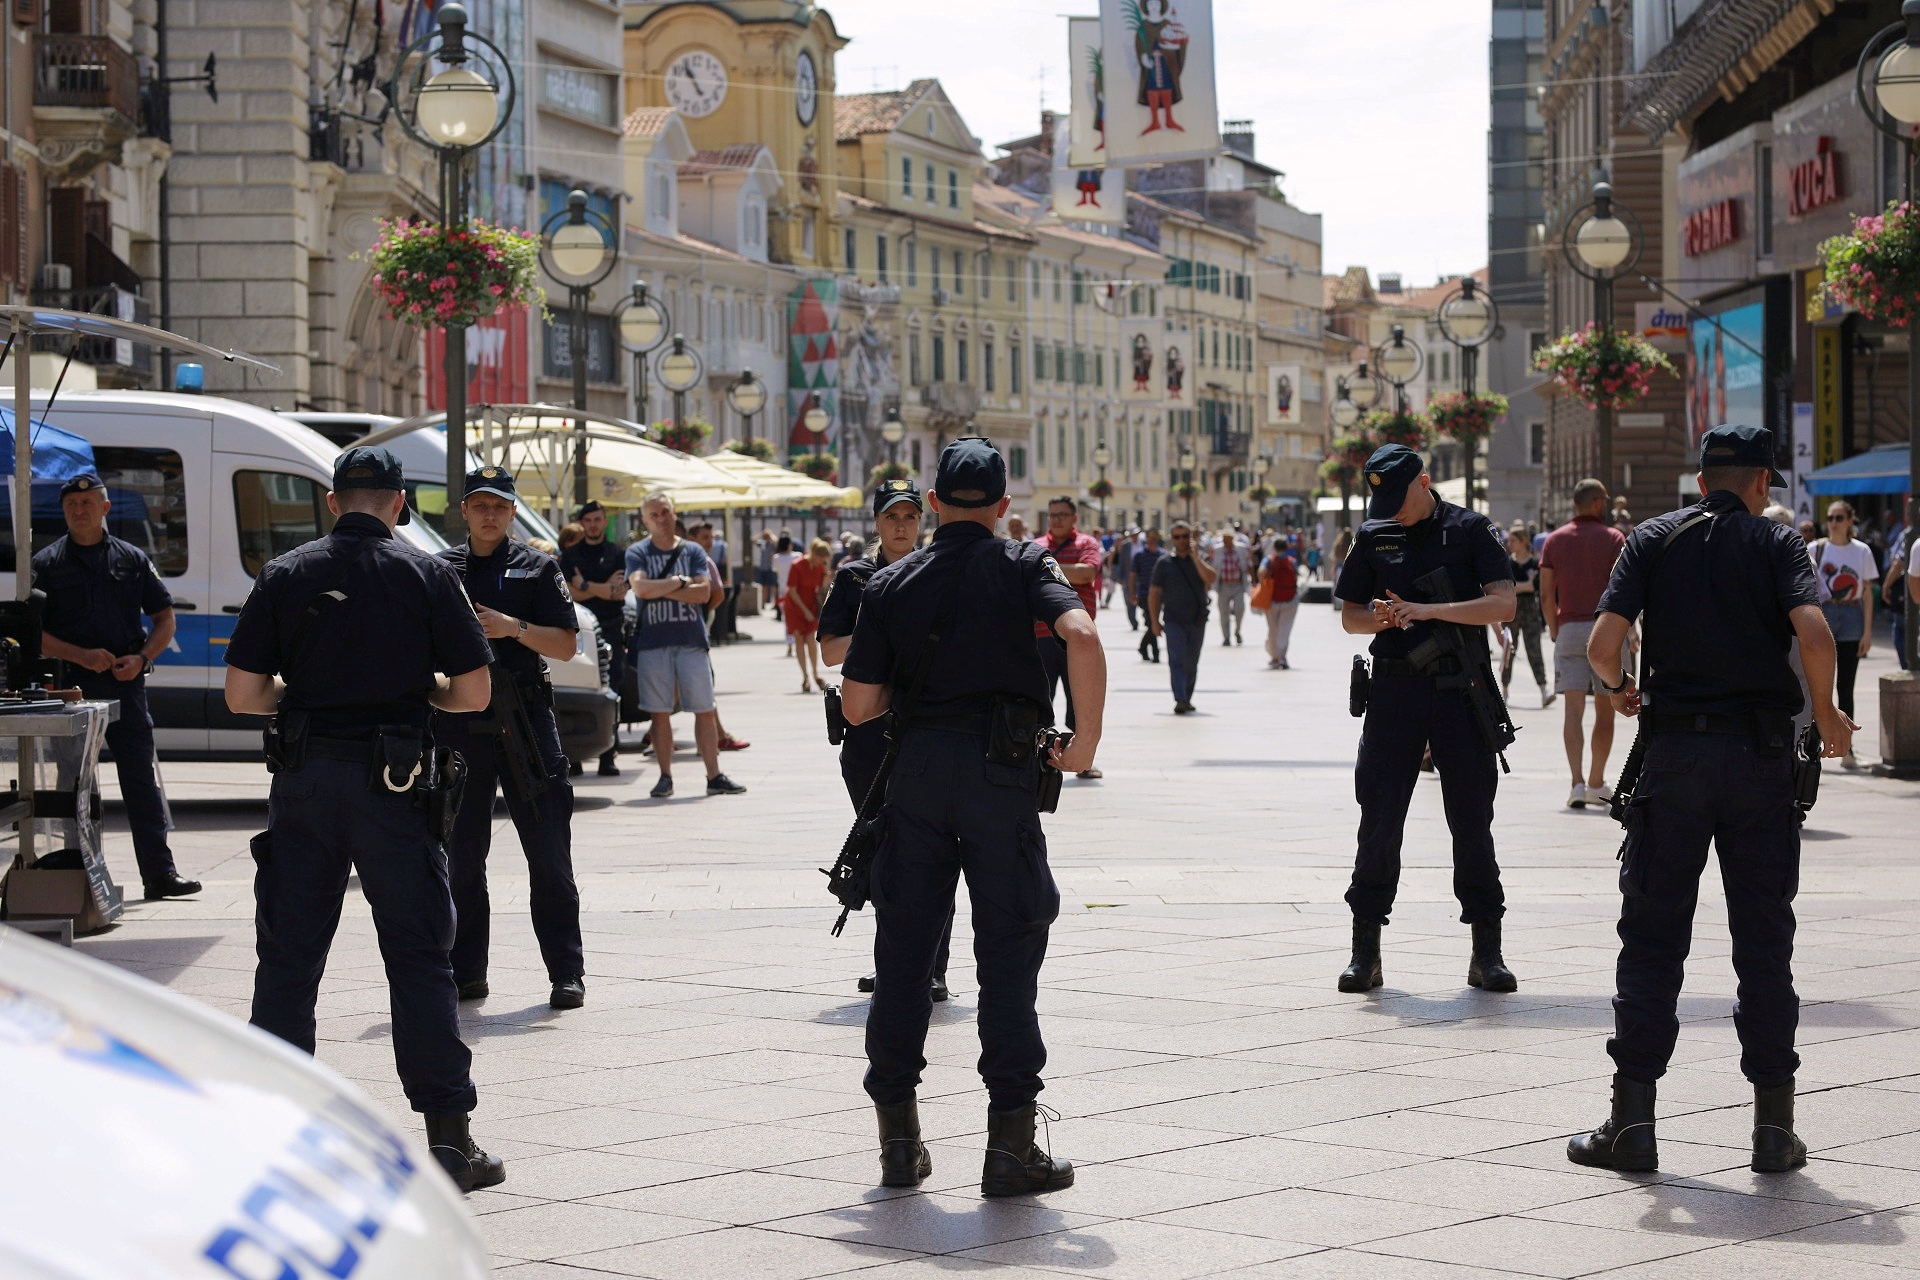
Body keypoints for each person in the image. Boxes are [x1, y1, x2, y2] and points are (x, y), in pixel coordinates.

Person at [1568, 424, 1854, 1177]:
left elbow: (1603, 645)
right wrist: (1826, 715)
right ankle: (1772, 1129)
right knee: (1765, 943)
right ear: (1761, 482)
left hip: (1674, 759)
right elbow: (1817, 635)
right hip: (1759, 764)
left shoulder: (1652, 539)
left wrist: (1618, 690)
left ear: (1702, 481)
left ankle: (1631, 1126)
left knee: (1653, 939)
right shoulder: (1779, 543)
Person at [222, 446, 505, 1192]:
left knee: (289, 959)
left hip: (308, 779)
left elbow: (242, 696)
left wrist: (306, 702)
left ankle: (272, 1135)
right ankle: (449, 1140)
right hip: (397, 780)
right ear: (399, 504)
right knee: (418, 958)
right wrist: (420, 698)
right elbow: (474, 693)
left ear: (332, 501)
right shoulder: (427, 574)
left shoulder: (286, 573)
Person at [840, 436, 1104, 1197]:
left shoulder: (892, 580)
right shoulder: (1024, 565)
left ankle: (898, 1143)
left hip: (916, 777)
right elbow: (1080, 634)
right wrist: (1083, 741)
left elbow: (858, 705)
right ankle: (1011, 1149)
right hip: (1000, 776)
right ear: (1002, 507)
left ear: (928, 505)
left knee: (904, 959)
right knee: (1009, 955)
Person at [1334, 444, 1518, 995]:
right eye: (1382, 499)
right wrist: (1384, 619)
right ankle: (1365, 949)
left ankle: (1487, 950)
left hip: (1460, 694)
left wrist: (1433, 611)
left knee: (1471, 821)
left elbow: (1504, 605)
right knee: (1379, 821)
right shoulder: (1372, 535)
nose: (1393, 508)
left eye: (1400, 496)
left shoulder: (1471, 529)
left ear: (1425, 481)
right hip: (1394, 694)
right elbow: (1349, 618)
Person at [435, 467, 586, 1011]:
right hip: (460, 723)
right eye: (479, 506)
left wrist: (512, 627)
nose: (489, 515)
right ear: (465, 512)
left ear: (513, 511)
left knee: (548, 855)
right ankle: (467, 970)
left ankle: (566, 971)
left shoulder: (538, 568)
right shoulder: (439, 569)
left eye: (499, 506)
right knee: (462, 858)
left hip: (525, 720)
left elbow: (567, 646)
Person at [32, 473, 198, 900]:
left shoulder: (131, 559)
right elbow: (35, 634)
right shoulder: (46, 564)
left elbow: (165, 618)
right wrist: (80, 655)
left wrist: (143, 658)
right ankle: (77, 873)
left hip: (124, 684)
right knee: (75, 786)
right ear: (64, 511)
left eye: (88, 503)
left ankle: (159, 875)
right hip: (71, 688)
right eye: (72, 505)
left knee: (141, 782)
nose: (79, 511)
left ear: (105, 509)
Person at [820, 479, 953, 1004]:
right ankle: (900, 963)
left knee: (934, 852)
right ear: (876, 522)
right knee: (884, 850)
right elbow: (830, 650)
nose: (901, 525)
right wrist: (885, 636)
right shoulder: (854, 578)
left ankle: (933, 968)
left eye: (910, 516)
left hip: (929, 730)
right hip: (870, 736)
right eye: (892, 516)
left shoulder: (941, 571)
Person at [628, 493, 747, 798]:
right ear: (645, 520)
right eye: (653, 514)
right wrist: (681, 582)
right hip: (653, 643)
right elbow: (640, 589)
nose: (661, 518)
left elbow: (703, 594)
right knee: (659, 712)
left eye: (665, 512)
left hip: (692, 642)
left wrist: (662, 589)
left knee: (704, 709)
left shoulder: (692, 550)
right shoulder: (637, 552)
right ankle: (665, 776)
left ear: (673, 513)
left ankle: (714, 774)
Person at [1542, 480, 1629, 808]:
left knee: (1572, 710)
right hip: (1605, 629)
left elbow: (1547, 593)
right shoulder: (1613, 538)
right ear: (1595, 502)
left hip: (1569, 628)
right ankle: (1596, 781)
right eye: (1604, 499)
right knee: (1606, 710)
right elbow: (1622, 587)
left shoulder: (1555, 539)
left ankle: (1576, 783)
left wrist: (1555, 629)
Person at [1037, 496, 1105, 778]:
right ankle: (1037, 756)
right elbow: (1077, 574)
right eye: (1053, 515)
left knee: (1081, 699)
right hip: (1040, 635)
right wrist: (1065, 572)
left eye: (1063, 515)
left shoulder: (1086, 544)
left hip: (1076, 637)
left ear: (1074, 517)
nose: (1057, 520)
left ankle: (1082, 758)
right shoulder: (1037, 546)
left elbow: (1087, 571)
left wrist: (1043, 570)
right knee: (1039, 699)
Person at [559, 500, 627, 777]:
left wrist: (585, 585)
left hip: (611, 628)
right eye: (589, 520)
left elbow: (619, 592)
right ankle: (575, 757)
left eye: (598, 519)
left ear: (605, 521)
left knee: (613, 690)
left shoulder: (617, 553)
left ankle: (609, 755)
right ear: (582, 523)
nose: (594, 525)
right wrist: (602, 588)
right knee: (583, 688)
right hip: (580, 631)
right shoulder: (570, 555)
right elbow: (567, 595)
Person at [1809, 500, 1876, 767]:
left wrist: (1867, 632)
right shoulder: (1815, 548)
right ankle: (1812, 744)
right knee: (1816, 683)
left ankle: (1847, 748)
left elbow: (1868, 593)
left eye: (1839, 518)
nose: (1833, 523)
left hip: (1851, 615)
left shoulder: (1862, 551)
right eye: (1830, 518)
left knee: (1845, 685)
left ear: (1850, 521)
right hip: (1822, 612)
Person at [1147, 520, 1216, 714]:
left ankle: (1187, 695)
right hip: (1173, 620)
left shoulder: (1199, 560)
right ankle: (1181, 698)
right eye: (1177, 537)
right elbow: (1154, 593)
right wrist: (1154, 621)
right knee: (1176, 659)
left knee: (1192, 662)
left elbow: (1211, 578)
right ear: (1172, 539)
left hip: (1197, 620)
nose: (1182, 540)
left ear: (1191, 538)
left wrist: (1195, 558)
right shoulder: (1164, 563)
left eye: (1185, 536)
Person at [1503, 521, 1552, 708]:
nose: (1510, 544)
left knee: (1534, 651)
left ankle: (1543, 690)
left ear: (1524, 541)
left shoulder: (1534, 563)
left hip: (1530, 612)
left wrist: (1520, 587)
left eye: (1514, 540)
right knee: (1509, 650)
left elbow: (1536, 586)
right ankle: (1505, 690)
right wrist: (1525, 586)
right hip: (1512, 611)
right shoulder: (1508, 563)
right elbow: (1507, 588)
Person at [786, 537, 832, 693]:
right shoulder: (797, 565)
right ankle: (805, 676)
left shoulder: (819, 568)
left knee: (811, 639)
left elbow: (821, 589)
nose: (822, 562)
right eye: (821, 558)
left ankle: (815, 674)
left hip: (811, 605)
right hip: (795, 606)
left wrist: (827, 574)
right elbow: (792, 591)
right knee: (799, 638)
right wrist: (804, 610)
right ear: (814, 554)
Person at [1260, 536, 1299, 669]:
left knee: (1273, 630)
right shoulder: (1291, 561)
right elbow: (1296, 577)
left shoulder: (1269, 560)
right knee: (1285, 630)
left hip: (1272, 599)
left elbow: (1261, 573)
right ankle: (1282, 657)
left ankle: (1274, 657)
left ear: (1274, 548)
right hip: (1290, 599)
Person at [1132, 527, 1165, 662]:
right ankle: (1155, 653)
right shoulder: (1140, 555)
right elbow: (1133, 575)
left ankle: (1143, 647)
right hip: (1144, 594)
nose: (1152, 542)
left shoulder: (1162, 555)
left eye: (1155, 539)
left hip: (1160, 595)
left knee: (1152, 623)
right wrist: (1132, 593)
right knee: (1152, 622)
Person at [1214, 530, 1249, 646]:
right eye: (1224, 539)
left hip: (1237, 584)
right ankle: (1226, 637)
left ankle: (1237, 631)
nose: (1226, 541)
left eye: (1228, 538)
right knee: (1224, 613)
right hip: (1223, 585)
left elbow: (1246, 565)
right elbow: (1215, 567)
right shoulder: (1218, 550)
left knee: (1240, 609)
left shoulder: (1240, 549)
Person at [1110, 528, 1139, 630]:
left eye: (1136, 534)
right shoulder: (1125, 545)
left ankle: (1147, 619)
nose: (1135, 537)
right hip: (1127, 578)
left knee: (1143, 601)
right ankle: (1133, 622)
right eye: (1133, 535)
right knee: (1128, 601)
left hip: (1141, 579)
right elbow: (1121, 562)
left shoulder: (1143, 544)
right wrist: (1120, 577)